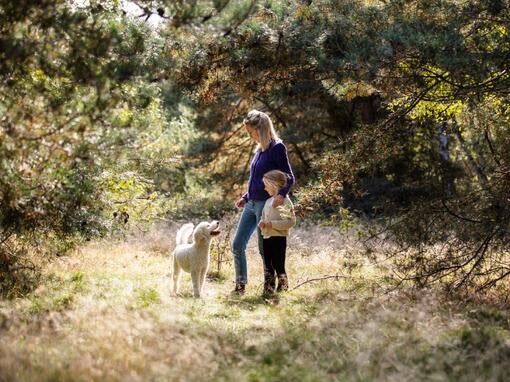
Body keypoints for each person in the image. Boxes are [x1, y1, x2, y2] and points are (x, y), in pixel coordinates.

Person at [231, 110, 295, 295]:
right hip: (251, 203)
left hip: (266, 205)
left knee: (263, 247)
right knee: (237, 244)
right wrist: (245, 197)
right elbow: (256, 178)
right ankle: (240, 284)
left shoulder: (277, 148)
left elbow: (289, 177)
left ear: (262, 129)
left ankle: (270, 285)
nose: (250, 136)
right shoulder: (259, 149)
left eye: (252, 132)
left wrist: (281, 194)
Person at [258, 170, 296, 295]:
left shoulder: (285, 201)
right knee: (268, 265)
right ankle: (268, 289)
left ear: (274, 184)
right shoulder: (268, 201)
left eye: (266, 184)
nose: (264, 188)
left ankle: (283, 289)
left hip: (279, 239)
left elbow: (290, 222)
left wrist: (272, 224)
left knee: (279, 264)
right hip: (267, 237)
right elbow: (264, 218)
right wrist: (262, 224)